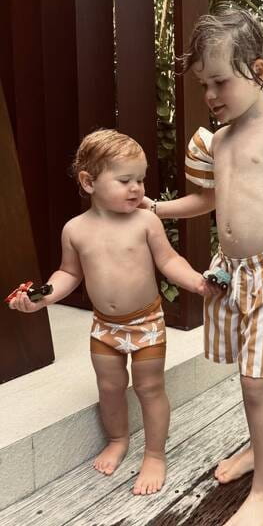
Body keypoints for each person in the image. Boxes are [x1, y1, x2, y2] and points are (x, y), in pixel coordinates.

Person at [147, 6, 263, 526]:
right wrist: (156, 208)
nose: (210, 95)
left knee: (256, 382)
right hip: (230, 272)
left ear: (258, 71)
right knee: (249, 376)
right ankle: (257, 448)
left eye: (220, 81)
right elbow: (206, 200)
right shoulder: (217, 140)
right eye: (204, 84)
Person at [8, 129, 215, 496]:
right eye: (125, 180)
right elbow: (69, 273)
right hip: (105, 327)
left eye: (140, 179)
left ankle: (155, 454)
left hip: (147, 323)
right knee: (110, 387)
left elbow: (169, 260)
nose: (137, 189)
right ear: (89, 182)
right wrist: (44, 297)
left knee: (150, 388)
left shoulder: (145, 221)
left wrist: (197, 283)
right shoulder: (75, 230)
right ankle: (118, 439)